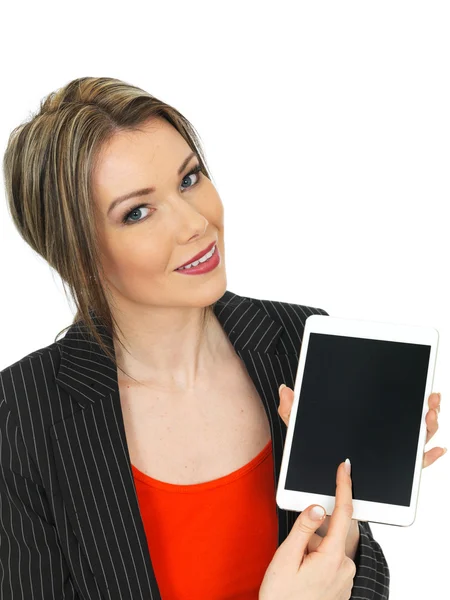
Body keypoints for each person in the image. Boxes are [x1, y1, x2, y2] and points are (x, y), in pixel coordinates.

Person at [0, 76, 443, 600]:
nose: (195, 223)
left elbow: (355, 578)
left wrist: (341, 527)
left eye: (189, 179)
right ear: (78, 257)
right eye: (137, 212)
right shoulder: (18, 417)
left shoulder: (297, 344)